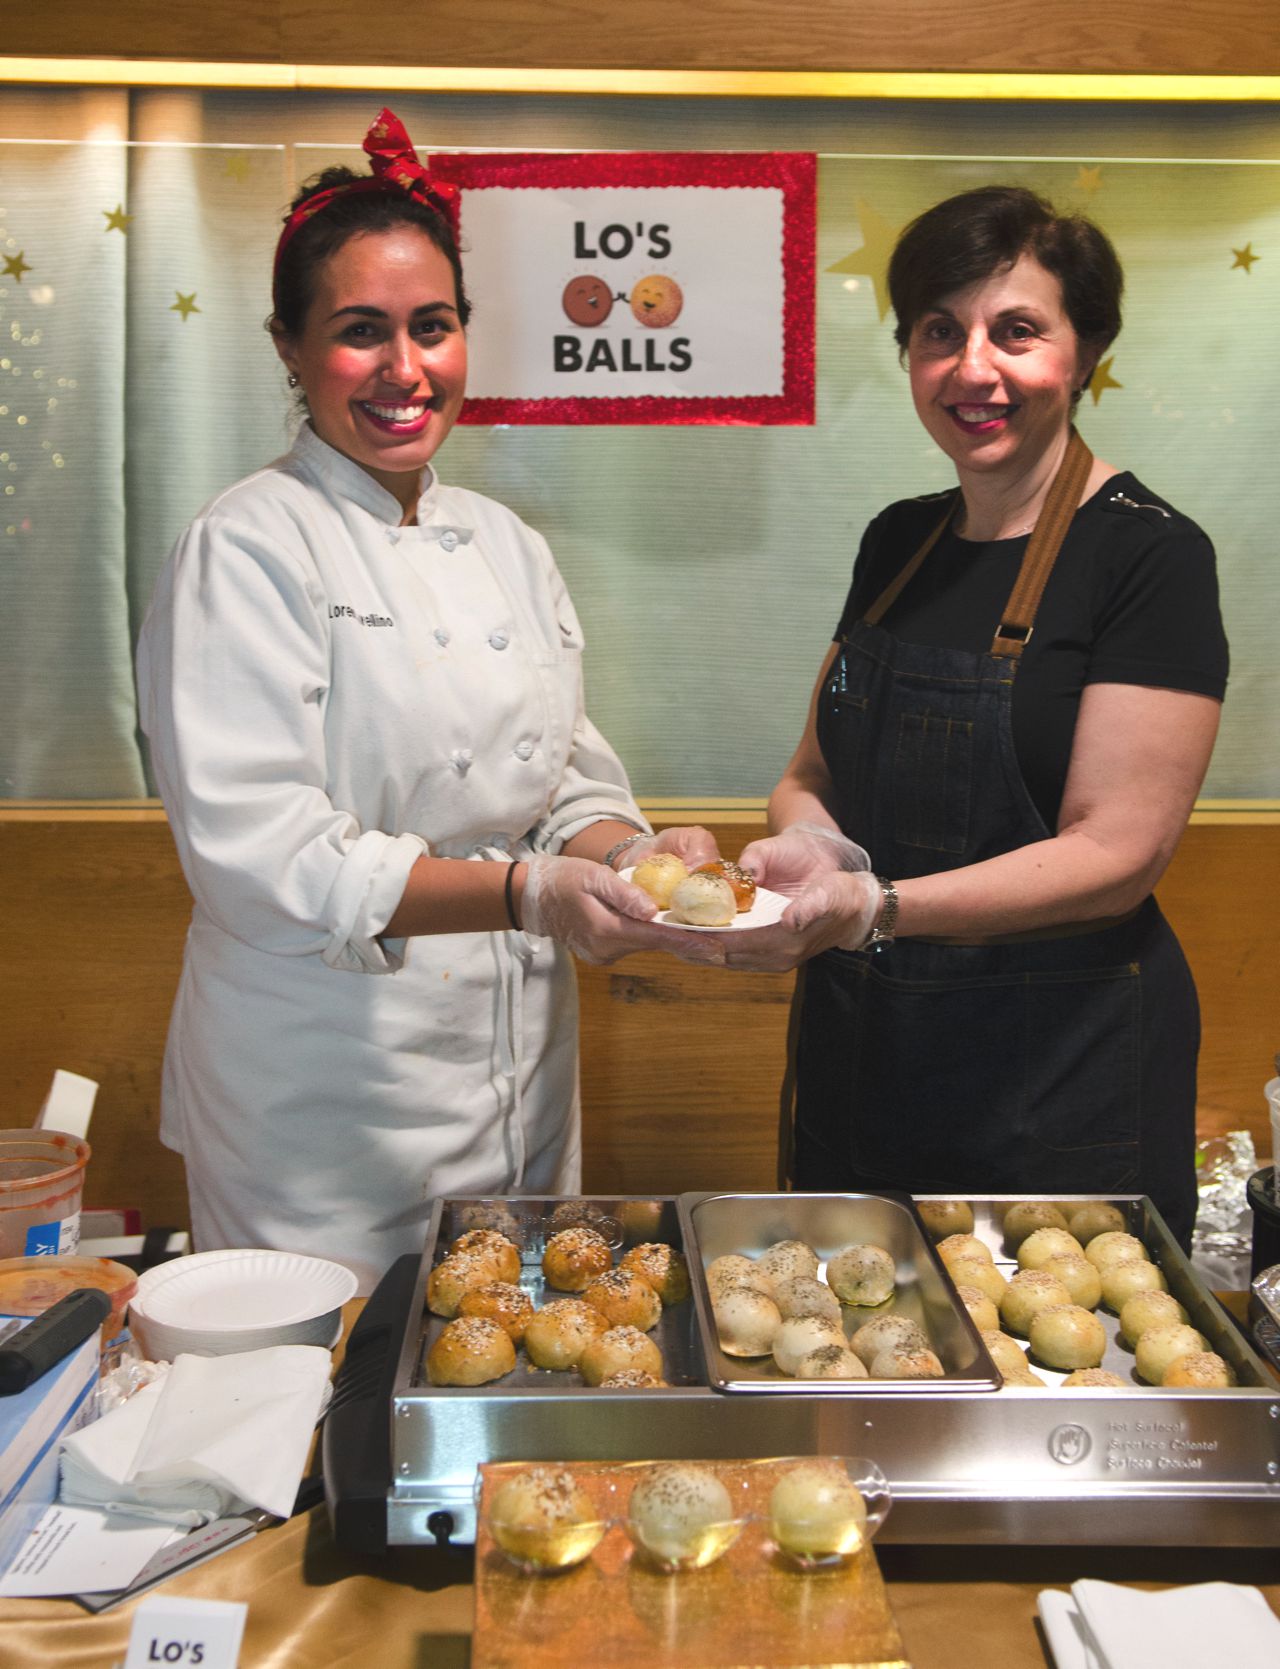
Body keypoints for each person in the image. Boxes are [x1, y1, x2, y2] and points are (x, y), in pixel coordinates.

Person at [136, 109, 717, 1292]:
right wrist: (528, 893)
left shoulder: (505, 543)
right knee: (324, 1387)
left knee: (508, 1358)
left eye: (432, 327)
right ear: (289, 347)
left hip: (515, 1082)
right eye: (361, 331)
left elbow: (560, 779)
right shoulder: (245, 546)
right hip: (324, 1110)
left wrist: (636, 859)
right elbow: (266, 855)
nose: (405, 369)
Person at [724, 186, 1227, 1248]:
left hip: (1058, 1090)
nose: (972, 367)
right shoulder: (898, 541)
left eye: (1017, 331)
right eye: (939, 332)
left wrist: (875, 907)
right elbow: (812, 772)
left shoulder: (1148, 556)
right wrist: (811, 849)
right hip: (866, 1065)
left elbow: (1117, 853)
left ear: (1084, 353)